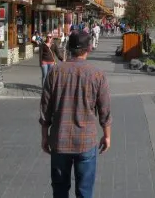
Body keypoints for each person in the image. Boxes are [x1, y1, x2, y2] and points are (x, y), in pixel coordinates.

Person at [40, 31, 112, 198]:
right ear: (89, 48)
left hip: (59, 139)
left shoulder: (55, 72)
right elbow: (105, 110)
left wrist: (44, 136)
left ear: (69, 48)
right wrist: (107, 135)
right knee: (85, 191)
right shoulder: (97, 74)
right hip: (86, 140)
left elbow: (45, 109)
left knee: (59, 190)